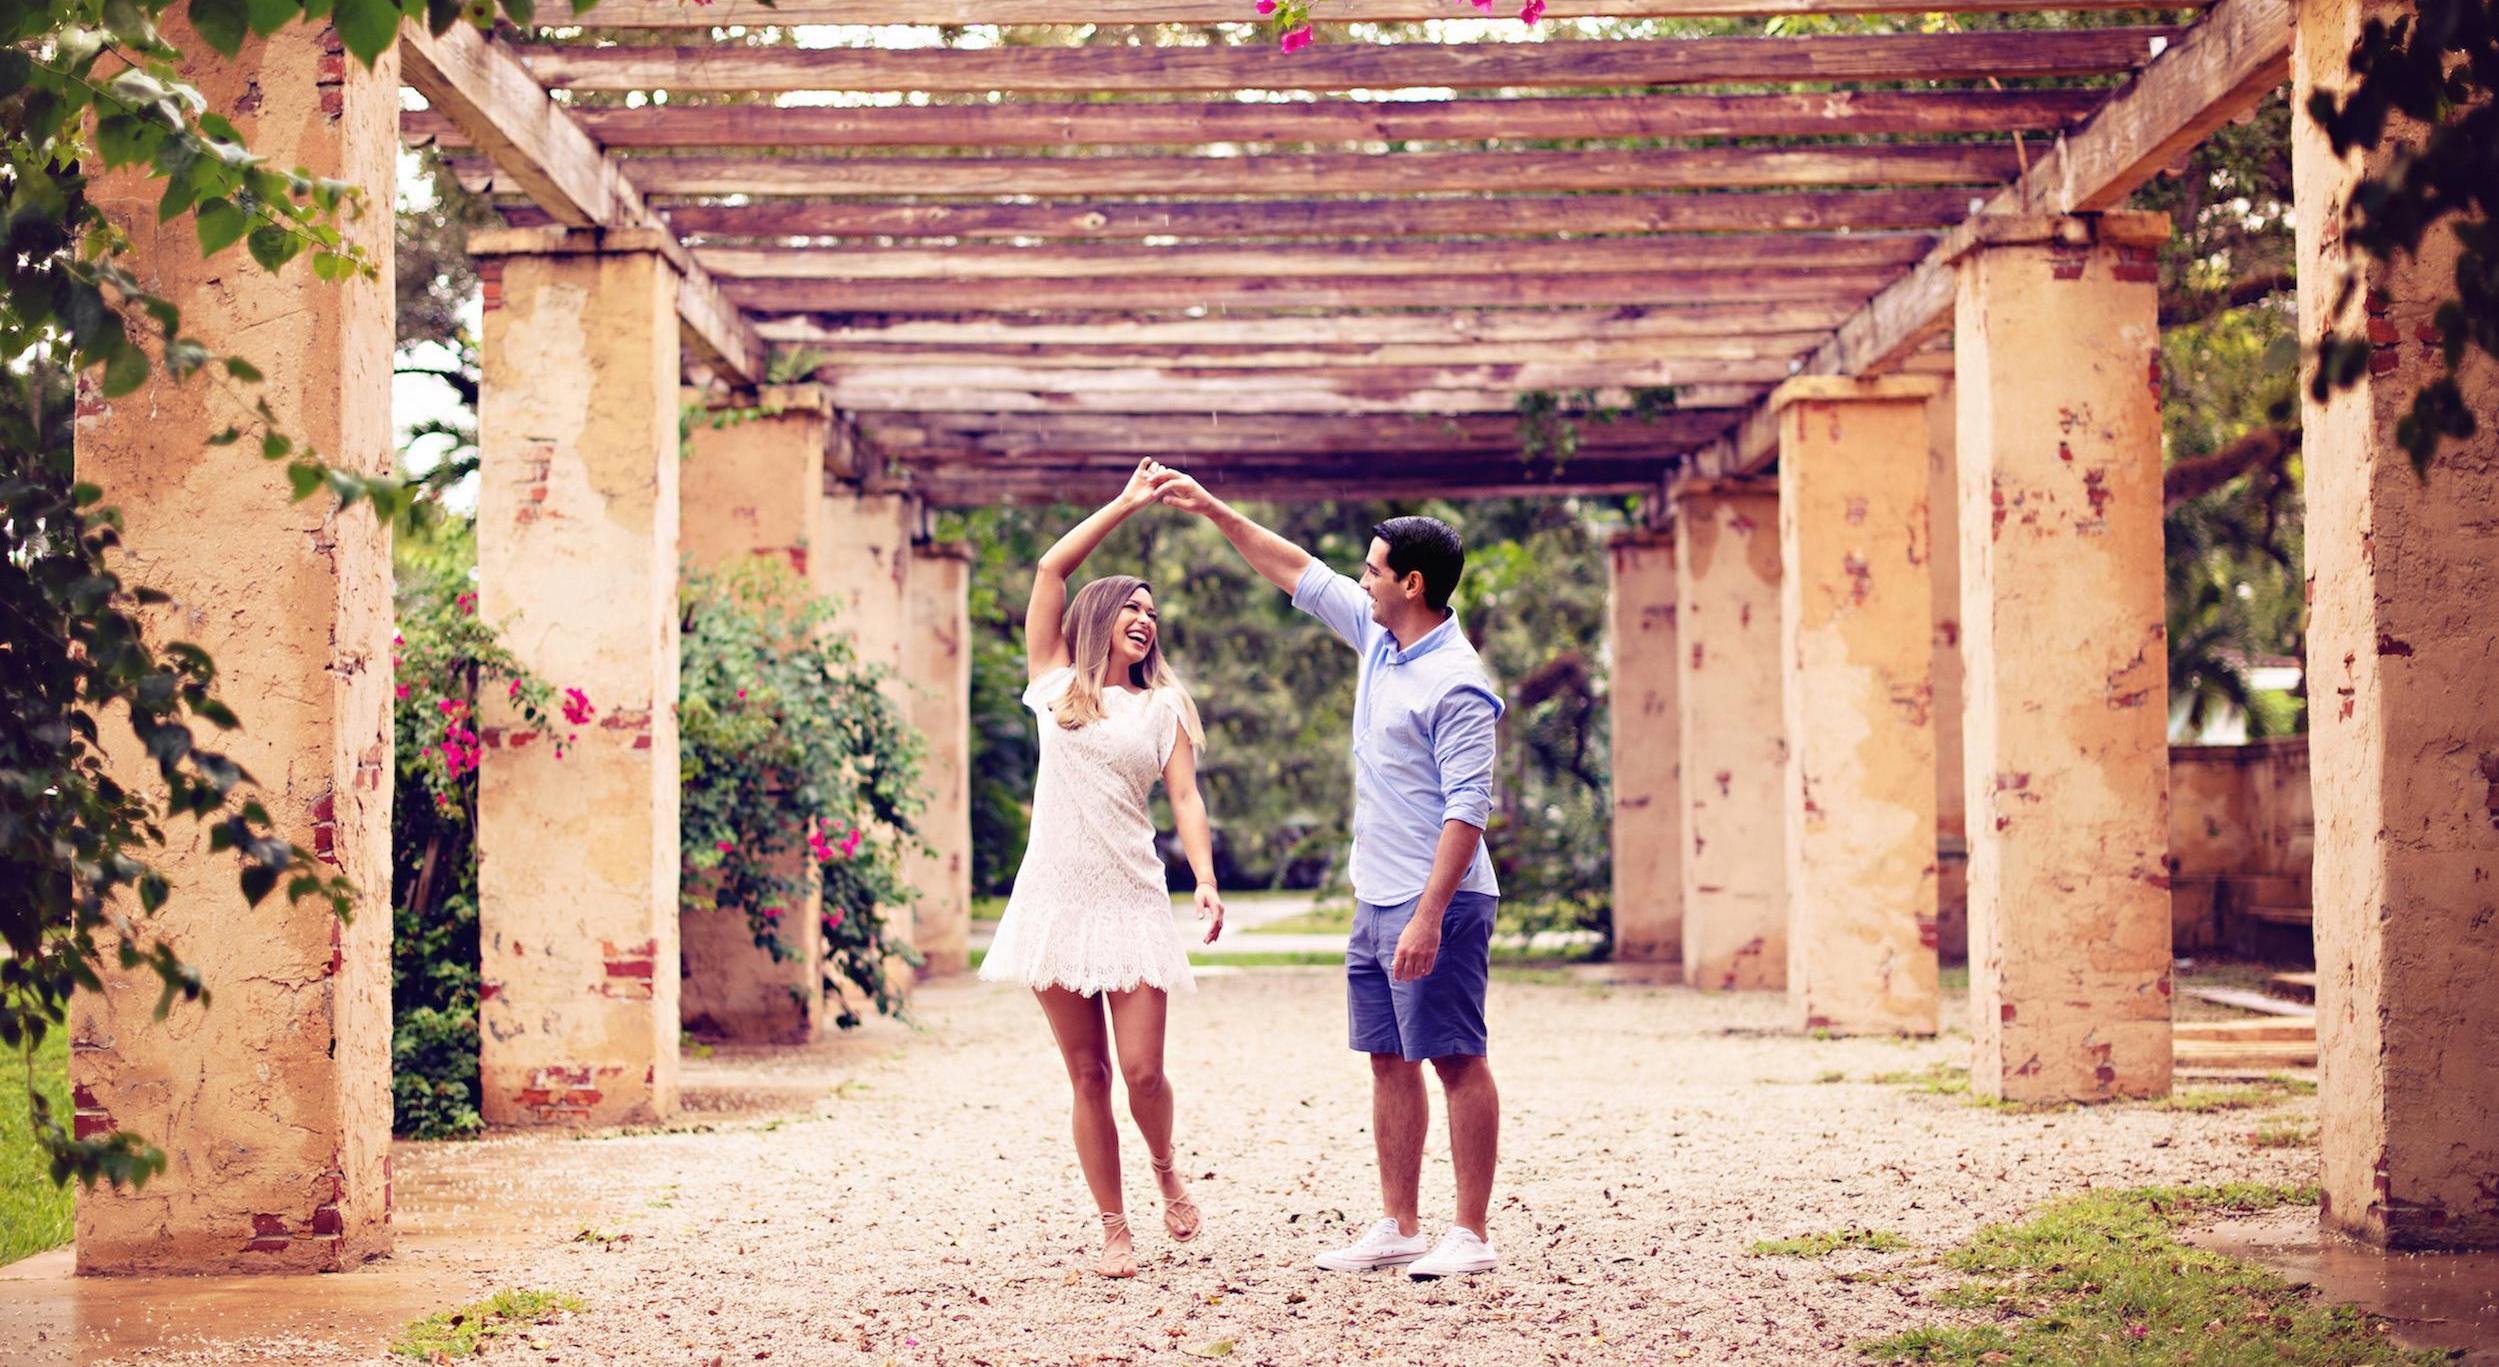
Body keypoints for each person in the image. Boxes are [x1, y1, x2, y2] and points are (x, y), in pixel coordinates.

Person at [1150, 471, 1505, 1281]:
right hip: (1374, 892)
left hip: (1438, 899)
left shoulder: (1457, 681)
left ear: (1411, 583)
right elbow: (1295, 570)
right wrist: (1209, 507)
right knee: (1387, 1056)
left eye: (1373, 569)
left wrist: (1427, 915)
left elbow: (1468, 811)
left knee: (1455, 1055)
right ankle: (1400, 1225)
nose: (1361, 579)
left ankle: (1471, 1231)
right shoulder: (1381, 638)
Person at [978, 459, 1227, 1279]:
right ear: (1098, 616)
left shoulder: (1163, 705)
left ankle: (1165, 1167)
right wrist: (1124, 503)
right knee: (1087, 1074)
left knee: (1142, 1071)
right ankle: (1114, 1228)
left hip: (1131, 898)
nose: (1145, 619)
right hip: (1053, 901)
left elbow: (1184, 797)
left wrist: (1205, 877)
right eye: (1132, 606)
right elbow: (1050, 569)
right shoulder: (1053, 686)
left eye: (1153, 612)